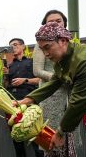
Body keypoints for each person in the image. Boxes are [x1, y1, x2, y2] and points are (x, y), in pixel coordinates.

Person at [16, 23, 86, 153]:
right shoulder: (63, 59)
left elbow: (78, 101)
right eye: (42, 49)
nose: (46, 54)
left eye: (47, 47)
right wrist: (26, 100)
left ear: (63, 41)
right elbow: (54, 82)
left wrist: (60, 132)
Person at [33, 10, 76, 157]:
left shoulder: (70, 43)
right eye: (50, 22)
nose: (55, 23)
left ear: (64, 22)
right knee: (51, 142)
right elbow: (37, 71)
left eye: (58, 21)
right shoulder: (41, 44)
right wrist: (60, 78)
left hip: (69, 95)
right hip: (49, 95)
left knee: (71, 139)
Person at [3, 38, 43, 157]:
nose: (13, 47)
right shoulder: (9, 66)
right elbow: (4, 86)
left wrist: (25, 80)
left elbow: (40, 80)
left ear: (23, 46)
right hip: (12, 102)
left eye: (15, 45)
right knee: (16, 137)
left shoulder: (32, 62)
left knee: (35, 134)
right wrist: (5, 75)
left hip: (29, 100)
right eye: (11, 46)